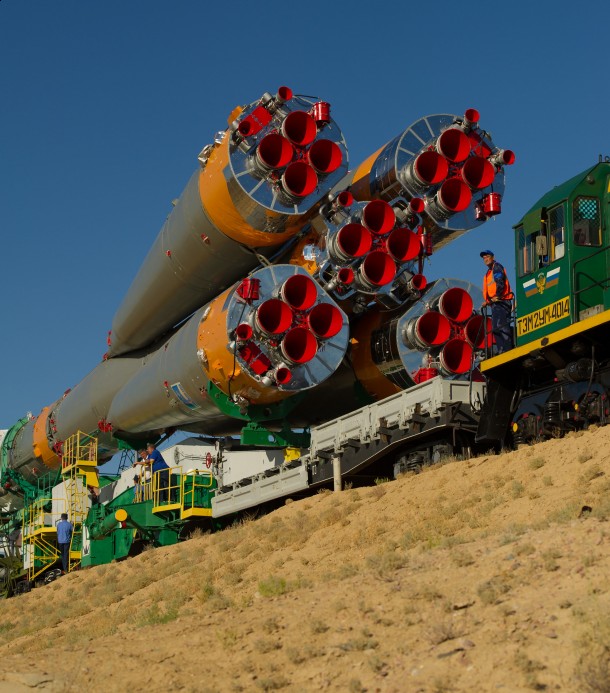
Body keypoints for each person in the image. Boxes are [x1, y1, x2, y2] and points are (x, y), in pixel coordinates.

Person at [481, 250, 514, 354]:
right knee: (496, 328)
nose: (486, 259)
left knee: (501, 326)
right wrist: (488, 301)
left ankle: (507, 350)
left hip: (502, 301)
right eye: (484, 258)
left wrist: (497, 296)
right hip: (495, 304)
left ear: (492, 257)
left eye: (487, 256)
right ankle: (501, 351)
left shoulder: (497, 267)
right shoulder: (488, 273)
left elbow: (500, 283)